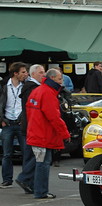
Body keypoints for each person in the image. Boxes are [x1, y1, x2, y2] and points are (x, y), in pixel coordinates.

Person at [25, 68, 70, 198]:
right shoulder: (48, 93)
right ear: (52, 78)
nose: (62, 81)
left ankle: (38, 190)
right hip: (43, 134)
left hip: (36, 132)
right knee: (43, 164)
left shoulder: (37, 91)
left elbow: (29, 112)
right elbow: (54, 117)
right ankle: (41, 192)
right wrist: (65, 134)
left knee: (40, 163)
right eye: (60, 78)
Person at [15, 64, 46, 194]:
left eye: (44, 72)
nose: (43, 75)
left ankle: (29, 182)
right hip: (32, 127)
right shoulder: (33, 89)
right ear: (33, 74)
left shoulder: (30, 87)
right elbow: (33, 110)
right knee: (36, 155)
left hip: (28, 126)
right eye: (40, 72)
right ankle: (25, 178)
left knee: (31, 155)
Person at [0, 62, 28, 188]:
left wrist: (24, 119)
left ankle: (25, 179)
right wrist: (1, 119)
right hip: (7, 122)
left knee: (26, 152)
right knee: (6, 154)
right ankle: (7, 179)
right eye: (23, 72)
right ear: (15, 73)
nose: (25, 74)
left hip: (21, 122)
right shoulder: (4, 85)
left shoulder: (26, 86)